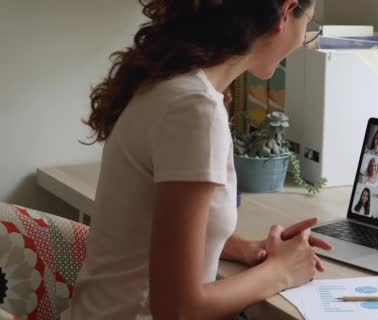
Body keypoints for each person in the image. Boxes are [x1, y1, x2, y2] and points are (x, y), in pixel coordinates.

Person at [61, 1, 332, 319]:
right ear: (286, 12)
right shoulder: (194, 110)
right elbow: (178, 308)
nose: (303, 40)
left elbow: (162, 234)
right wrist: (282, 271)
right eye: (309, 25)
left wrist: (249, 249)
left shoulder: (172, 86)